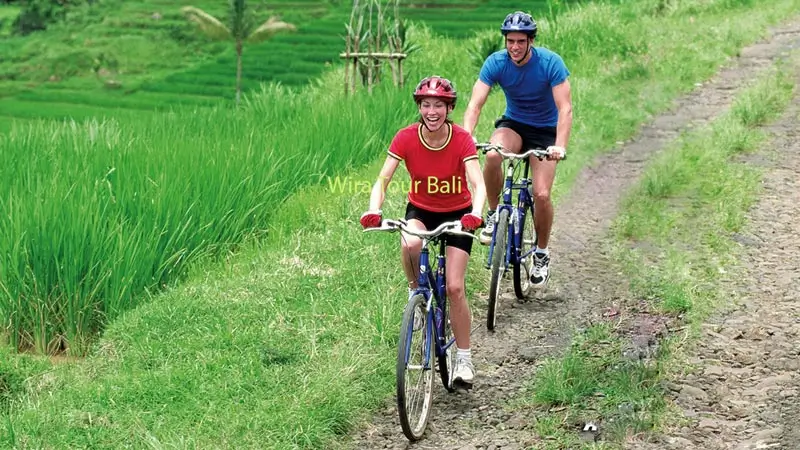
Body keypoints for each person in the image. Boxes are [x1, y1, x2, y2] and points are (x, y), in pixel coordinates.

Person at [360, 75, 487, 388]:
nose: (432, 111)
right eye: (426, 104)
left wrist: (476, 213)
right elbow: (383, 179)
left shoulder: (461, 139)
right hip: (421, 210)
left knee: (455, 288)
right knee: (410, 244)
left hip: (459, 214)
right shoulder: (405, 137)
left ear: (449, 108)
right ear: (419, 107)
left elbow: (478, 182)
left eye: (439, 105)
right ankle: (416, 290)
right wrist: (374, 209)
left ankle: (464, 359)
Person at [462, 10, 573, 290]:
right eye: (510, 41)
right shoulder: (496, 63)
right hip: (513, 124)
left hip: (544, 131)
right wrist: (466, 137)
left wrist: (559, 145)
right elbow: (476, 104)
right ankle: (495, 214)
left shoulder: (550, 63)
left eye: (520, 41)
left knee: (542, 193)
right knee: (492, 154)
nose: (514, 47)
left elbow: (565, 108)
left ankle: (541, 253)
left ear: (531, 41)